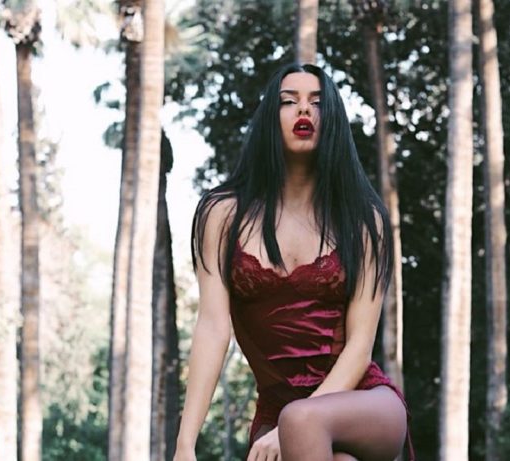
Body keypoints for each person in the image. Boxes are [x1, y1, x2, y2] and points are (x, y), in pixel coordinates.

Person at [173, 62, 413, 461]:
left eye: (317, 102)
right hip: (277, 412)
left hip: (364, 402)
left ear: (332, 121)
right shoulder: (223, 214)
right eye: (289, 101)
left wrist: (296, 424)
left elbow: (359, 347)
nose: (304, 109)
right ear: (270, 118)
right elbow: (213, 328)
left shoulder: (362, 219)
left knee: (301, 422)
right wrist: (185, 445)